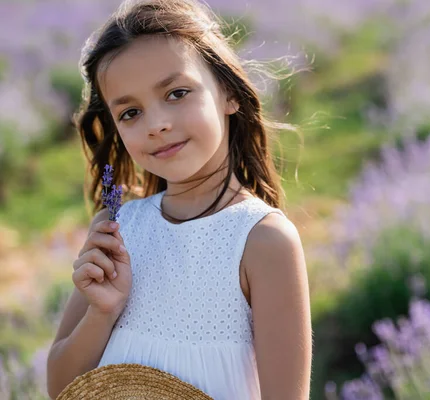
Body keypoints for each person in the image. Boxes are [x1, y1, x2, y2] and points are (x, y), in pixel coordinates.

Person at [45, 0, 312, 399]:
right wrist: (102, 312)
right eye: (131, 113)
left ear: (229, 93)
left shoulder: (263, 241)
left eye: (177, 93)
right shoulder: (117, 228)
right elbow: (62, 389)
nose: (157, 124)